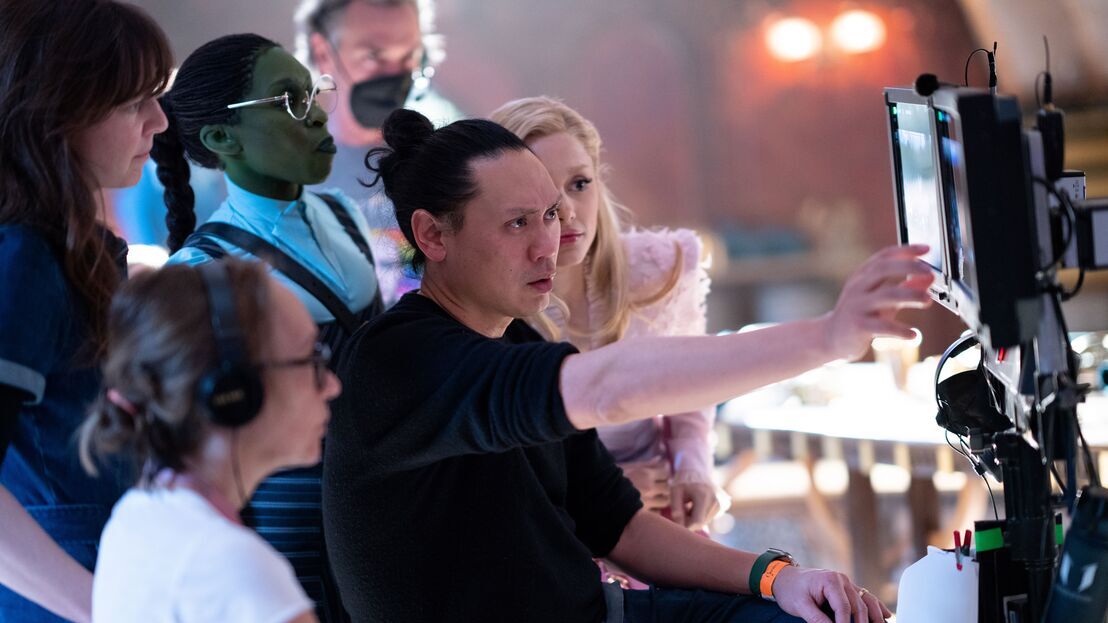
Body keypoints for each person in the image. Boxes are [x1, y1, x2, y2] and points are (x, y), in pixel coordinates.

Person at [325, 108, 931, 623]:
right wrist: (827, 337)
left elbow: (621, 527)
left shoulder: (517, 337)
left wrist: (777, 578)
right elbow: (609, 387)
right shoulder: (397, 359)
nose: (549, 244)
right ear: (432, 235)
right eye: (516, 223)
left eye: (552, 215)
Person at [156, 33, 382, 621]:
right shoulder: (201, 271)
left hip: (386, 513)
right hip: (294, 539)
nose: (312, 115)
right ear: (220, 139)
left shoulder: (343, 214)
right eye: (287, 100)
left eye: (313, 94)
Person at [0, 1, 172, 620]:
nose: (158, 120)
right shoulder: (23, 257)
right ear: (56, 112)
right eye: (134, 102)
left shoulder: (70, 249)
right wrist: (99, 607)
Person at [492, 97, 719, 552]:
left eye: (579, 184)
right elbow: (498, 479)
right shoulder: (487, 306)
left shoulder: (662, 268)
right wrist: (606, 492)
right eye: (542, 193)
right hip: (548, 537)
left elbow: (691, 392)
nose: (569, 213)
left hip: (659, 516)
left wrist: (693, 469)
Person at [80, 259, 340, 623]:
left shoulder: (135, 518)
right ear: (233, 391)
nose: (332, 385)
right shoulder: (230, 567)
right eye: (312, 358)